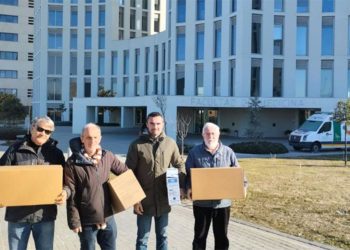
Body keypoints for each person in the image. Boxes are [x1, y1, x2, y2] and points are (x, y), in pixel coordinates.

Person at [0, 116, 67, 250]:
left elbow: (67, 181)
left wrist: (65, 192)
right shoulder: (14, 150)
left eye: (48, 131)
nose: (43, 133)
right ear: (32, 128)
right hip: (17, 216)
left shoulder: (56, 154)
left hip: (44, 216)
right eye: (40, 129)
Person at [126, 111, 186, 250]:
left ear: (163, 124)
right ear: (147, 124)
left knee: (163, 237)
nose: (155, 127)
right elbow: (128, 174)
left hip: (164, 199)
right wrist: (135, 200)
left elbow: (180, 165)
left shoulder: (170, 143)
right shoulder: (136, 145)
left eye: (158, 124)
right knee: (142, 239)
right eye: (152, 123)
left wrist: (180, 186)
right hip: (143, 201)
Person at [64, 123, 128, 250]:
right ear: (82, 139)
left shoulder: (107, 156)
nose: (92, 141)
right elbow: (71, 193)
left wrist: (132, 197)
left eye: (95, 137)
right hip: (86, 220)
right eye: (88, 137)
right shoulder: (72, 163)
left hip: (108, 217)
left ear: (100, 138)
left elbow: (126, 173)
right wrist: (74, 221)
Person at [186, 122, 246, 250]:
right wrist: (189, 188)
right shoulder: (194, 153)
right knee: (199, 237)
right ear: (203, 135)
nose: (210, 136)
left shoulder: (228, 152)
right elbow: (188, 175)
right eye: (207, 134)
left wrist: (243, 186)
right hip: (201, 204)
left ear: (218, 135)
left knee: (222, 237)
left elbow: (238, 174)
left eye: (213, 133)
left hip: (222, 204)